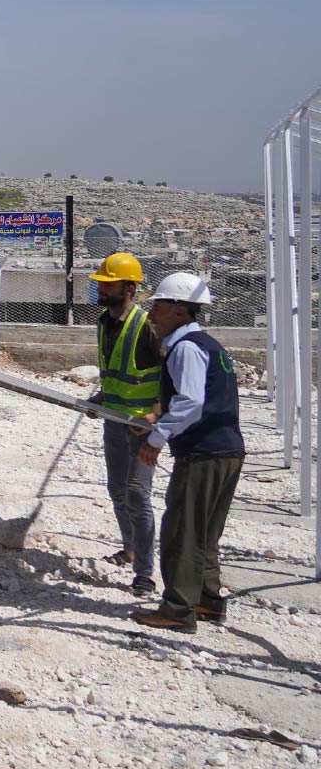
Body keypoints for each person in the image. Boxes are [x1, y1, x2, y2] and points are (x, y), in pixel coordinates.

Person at [130, 273, 246, 633]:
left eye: (159, 308)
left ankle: (178, 609)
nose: (152, 315)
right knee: (205, 531)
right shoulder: (208, 344)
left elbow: (191, 403)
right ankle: (206, 600)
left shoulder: (186, 348)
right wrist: (155, 418)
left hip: (203, 454)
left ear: (180, 311)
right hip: (226, 450)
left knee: (182, 530)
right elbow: (198, 398)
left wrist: (155, 439)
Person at [86, 252, 164, 596]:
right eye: (100, 283)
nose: (101, 288)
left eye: (108, 283)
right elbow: (117, 372)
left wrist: (157, 415)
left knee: (137, 494)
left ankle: (145, 573)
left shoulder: (145, 326)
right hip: (113, 420)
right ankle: (130, 548)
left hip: (141, 427)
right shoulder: (105, 322)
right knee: (117, 489)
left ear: (129, 288)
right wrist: (102, 398)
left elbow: (170, 375)